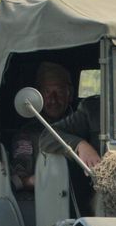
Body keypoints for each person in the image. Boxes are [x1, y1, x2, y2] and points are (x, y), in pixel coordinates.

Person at [11, 62, 74, 190]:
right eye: (47, 92)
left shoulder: (82, 126)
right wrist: (35, 180)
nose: (53, 99)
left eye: (60, 92)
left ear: (70, 94)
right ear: (37, 95)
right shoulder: (28, 134)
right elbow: (19, 178)